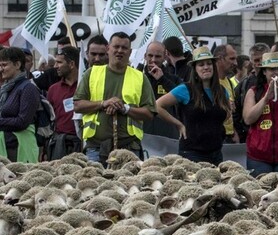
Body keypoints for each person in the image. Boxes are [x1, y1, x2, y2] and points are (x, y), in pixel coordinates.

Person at [73, 32, 156, 165]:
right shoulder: (91, 73)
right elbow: (77, 105)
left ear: (130, 52)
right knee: (93, 179)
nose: (120, 51)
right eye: (116, 46)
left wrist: (125, 108)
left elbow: (149, 113)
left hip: (129, 148)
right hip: (95, 148)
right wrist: (103, 104)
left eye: (124, 48)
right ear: (108, 49)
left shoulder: (140, 78)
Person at [154, 47, 230, 165]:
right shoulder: (185, 89)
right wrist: (178, 124)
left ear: (214, 66)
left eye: (209, 63)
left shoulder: (222, 91)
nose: (206, 67)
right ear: (195, 69)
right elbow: (157, 106)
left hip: (216, 153)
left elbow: (226, 114)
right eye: (201, 64)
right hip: (192, 153)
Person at [0, 47, 39, 163]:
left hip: (19, 149)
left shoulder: (28, 88)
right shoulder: (5, 90)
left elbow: (22, 121)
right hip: (6, 147)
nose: (1, 69)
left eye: (4, 65)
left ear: (17, 65)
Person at [141, 41, 183, 139]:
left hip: (167, 136)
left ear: (165, 57)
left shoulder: (174, 79)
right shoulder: (138, 78)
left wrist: (162, 79)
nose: (153, 60)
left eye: (158, 56)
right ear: (145, 56)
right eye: (150, 56)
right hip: (143, 135)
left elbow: (183, 99)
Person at [46, 46, 82, 160]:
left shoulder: (86, 86)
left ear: (71, 64)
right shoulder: (53, 89)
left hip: (82, 144)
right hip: (60, 145)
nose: (55, 66)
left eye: (59, 62)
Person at [233, 43, 272, 143]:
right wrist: (242, 134)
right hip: (251, 137)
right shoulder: (244, 85)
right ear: (252, 62)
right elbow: (236, 113)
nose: (260, 63)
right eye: (257, 60)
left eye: (263, 59)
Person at [213, 44, 239, 143]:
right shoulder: (209, 83)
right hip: (215, 136)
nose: (235, 63)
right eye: (232, 59)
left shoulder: (229, 82)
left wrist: (233, 131)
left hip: (229, 137)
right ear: (220, 59)